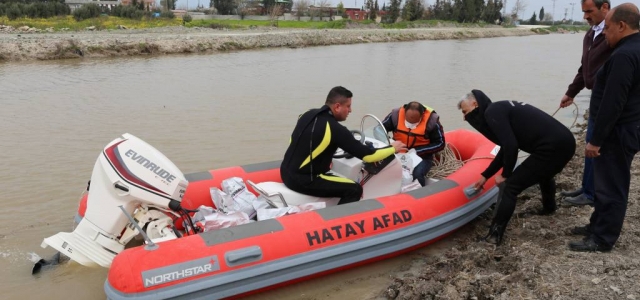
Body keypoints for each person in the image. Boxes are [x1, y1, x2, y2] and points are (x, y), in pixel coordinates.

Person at [458, 90, 576, 245]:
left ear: (475, 104)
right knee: (543, 172)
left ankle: (494, 236)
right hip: (565, 142)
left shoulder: (491, 113)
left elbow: (511, 146)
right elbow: (505, 147)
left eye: (465, 112)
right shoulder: (498, 108)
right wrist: (486, 175)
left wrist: (506, 174)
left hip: (553, 147)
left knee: (510, 187)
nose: (465, 117)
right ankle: (549, 208)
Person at [568, 3, 640, 252]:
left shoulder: (623, 55)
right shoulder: (632, 49)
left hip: (617, 131)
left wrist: (596, 140)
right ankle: (596, 226)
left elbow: (613, 101)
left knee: (612, 185)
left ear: (622, 26)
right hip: (626, 127)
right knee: (605, 182)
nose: (604, 33)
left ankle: (602, 238)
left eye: (607, 28)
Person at [280, 86, 406, 205]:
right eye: (348, 106)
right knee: (354, 189)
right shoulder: (335, 129)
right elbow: (369, 156)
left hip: (285, 171)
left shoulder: (307, 114)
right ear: (337, 106)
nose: (350, 110)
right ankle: (336, 222)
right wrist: (392, 148)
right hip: (304, 181)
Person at [560, 0, 613, 207]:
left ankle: (591, 193)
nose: (585, 17)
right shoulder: (590, 35)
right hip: (596, 98)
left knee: (595, 145)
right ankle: (586, 188)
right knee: (590, 142)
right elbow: (585, 68)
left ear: (605, 8)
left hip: (607, 99)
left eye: (589, 11)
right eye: (584, 12)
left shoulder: (613, 37)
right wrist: (571, 92)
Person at [381, 101, 446, 186]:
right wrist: (391, 142)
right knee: (382, 169)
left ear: (422, 116)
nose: (410, 124)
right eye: (408, 121)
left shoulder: (432, 122)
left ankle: (419, 194)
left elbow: (440, 143)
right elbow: (378, 130)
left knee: (417, 174)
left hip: (421, 156)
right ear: (404, 113)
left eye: (414, 121)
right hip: (396, 152)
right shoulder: (395, 116)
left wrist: (417, 151)